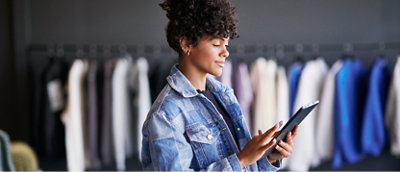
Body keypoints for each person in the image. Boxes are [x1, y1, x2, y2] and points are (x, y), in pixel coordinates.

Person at [141, 0, 298, 170]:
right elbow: (241, 162)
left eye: (226, 45)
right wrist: (242, 159)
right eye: (216, 44)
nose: (225, 52)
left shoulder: (224, 95)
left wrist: (269, 158)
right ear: (186, 44)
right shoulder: (166, 115)